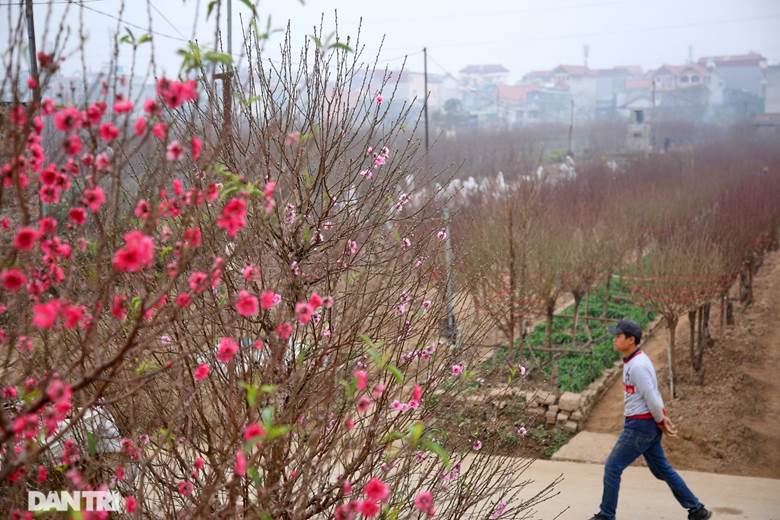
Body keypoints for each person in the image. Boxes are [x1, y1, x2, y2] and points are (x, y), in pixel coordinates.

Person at [589, 319, 712, 520]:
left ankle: (606, 515)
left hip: (640, 427)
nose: (615, 339)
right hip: (645, 425)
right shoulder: (634, 361)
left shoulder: (638, 366)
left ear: (631, 339)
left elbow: (652, 397)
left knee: (613, 467)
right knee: (661, 470)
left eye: (619, 336)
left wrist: (661, 420)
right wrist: (661, 418)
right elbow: (652, 393)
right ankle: (697, 509)